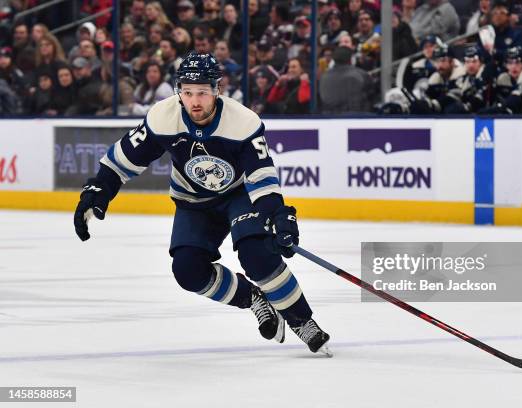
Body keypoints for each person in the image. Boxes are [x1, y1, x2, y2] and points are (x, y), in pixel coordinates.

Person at [73, 52, 331, 356]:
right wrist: (97, 190)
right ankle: (253, 299)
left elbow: (261, 175)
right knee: (187, 270)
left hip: (238, 196)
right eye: (187, 91)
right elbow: (123, 159)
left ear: (217, 90)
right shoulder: (162, 117)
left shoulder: (243, 122)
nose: (194, 101)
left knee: (256, 254)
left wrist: (277, 215)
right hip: (192, 201)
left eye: (202, 93)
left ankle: (301, 319)